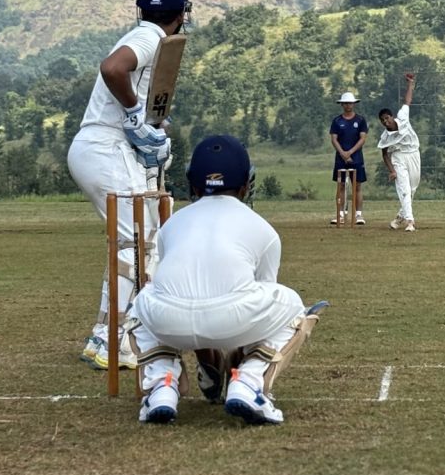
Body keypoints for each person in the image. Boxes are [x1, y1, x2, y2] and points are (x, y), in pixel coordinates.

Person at [129, 134, 327, 425]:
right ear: (246, 185)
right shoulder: (264, 229)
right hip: (234, 319)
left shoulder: (171, 225)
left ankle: (162, 385)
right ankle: (248, 383)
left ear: (193, 183)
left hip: (168, 322)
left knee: (142, 302)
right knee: (292, 306)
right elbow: (263, 304)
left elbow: (181, 289)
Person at [67, 0, 190, 369]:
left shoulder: (143, 33)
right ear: (182, 14)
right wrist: (136, 117)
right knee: (140, 246)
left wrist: (152, 129)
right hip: (107, 148)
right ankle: (120, 343)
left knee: (130, 245)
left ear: (142, 7)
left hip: (99, 148)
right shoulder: (150, 37)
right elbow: (113, 69)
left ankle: (105, 335)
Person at [378, 72, 421, 232]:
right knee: (404, 189)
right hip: (398, 158)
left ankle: (399, 218)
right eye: (382, 121)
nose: (385, 122)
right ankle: (410, 222)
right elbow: (384, 154)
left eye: (386, 118)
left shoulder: (402, 117)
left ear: (391, 117)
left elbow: (407, 101)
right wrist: (392, 171)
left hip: (414, 153)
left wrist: (410, 83)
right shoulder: (385, 137)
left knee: (412, 189)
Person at [329, 91, 369, 225]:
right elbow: (334, 139)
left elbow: (362, 138)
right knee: (340, 186)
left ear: (354, 104)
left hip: (356, 157)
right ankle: (340, 214)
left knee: (357, 186)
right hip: (340, 158)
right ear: (342, 104)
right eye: (345, 103)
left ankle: (358, 215)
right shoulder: (337, 121)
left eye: (350, 103)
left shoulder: (360, 120)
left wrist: (350, 152)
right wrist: (342, 153)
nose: (348, 105)